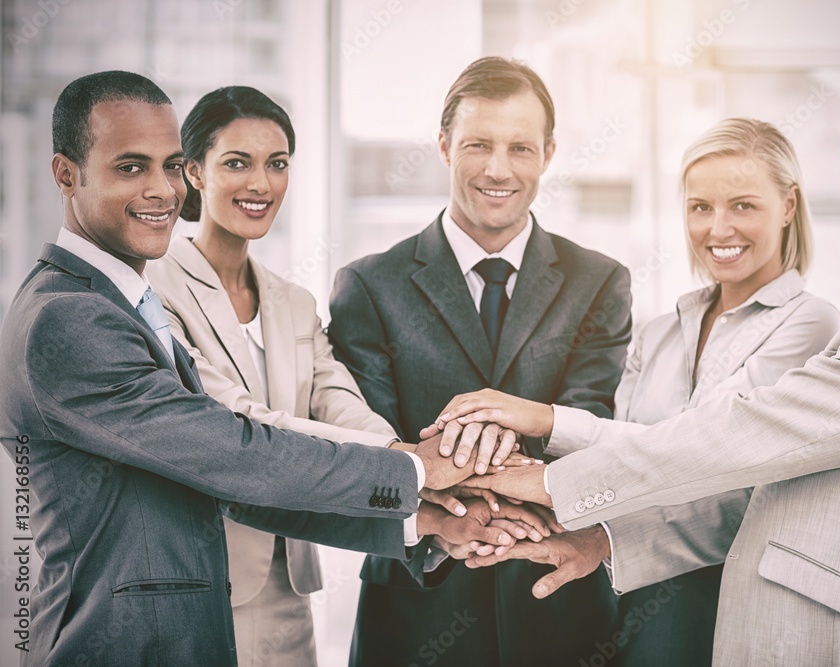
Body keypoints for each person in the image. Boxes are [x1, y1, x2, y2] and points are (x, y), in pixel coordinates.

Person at [433, 59, 840, 664]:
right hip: (666, 598)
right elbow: (760, 483)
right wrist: (604, 538)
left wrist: (551, 470)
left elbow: (747, 437)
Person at [0, 71, 480, 667]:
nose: (161, 190)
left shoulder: (123, 298)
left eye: (169, 166)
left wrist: (420, 517)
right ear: (65, 174)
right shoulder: (70, 319)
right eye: (130, 167)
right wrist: (411, 471)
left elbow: (231, 475)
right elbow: (234, 451)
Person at [145, 86, 550, 667]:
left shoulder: (292, 302)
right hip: (199, 583)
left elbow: (340, 404)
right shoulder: (158, 288)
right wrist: (413, 465)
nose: (260, 183)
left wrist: (426, 478)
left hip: (288, 588)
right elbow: (237, 421)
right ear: (194, 173)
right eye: (237, 162)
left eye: (276, 164)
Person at [327, 57, 632, 666]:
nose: (499, 169)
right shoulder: (369, 285)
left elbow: (585, 425)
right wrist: (450, 519)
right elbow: (376, 450)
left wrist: (480, 488)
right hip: (416, 610)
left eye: (520, 147)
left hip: (561, 608)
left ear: (548, 153)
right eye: (478, 145)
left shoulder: (600, 281)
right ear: (443, 146)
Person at [559, 118, 838, 665]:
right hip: (618, 582)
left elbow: (714, 456)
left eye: (743, 205)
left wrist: (547, 422)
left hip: (721, 591)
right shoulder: (660, 330)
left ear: (788, 206)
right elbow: (616, 459)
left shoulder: (812, 325)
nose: (718, 228)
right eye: (700, 207)